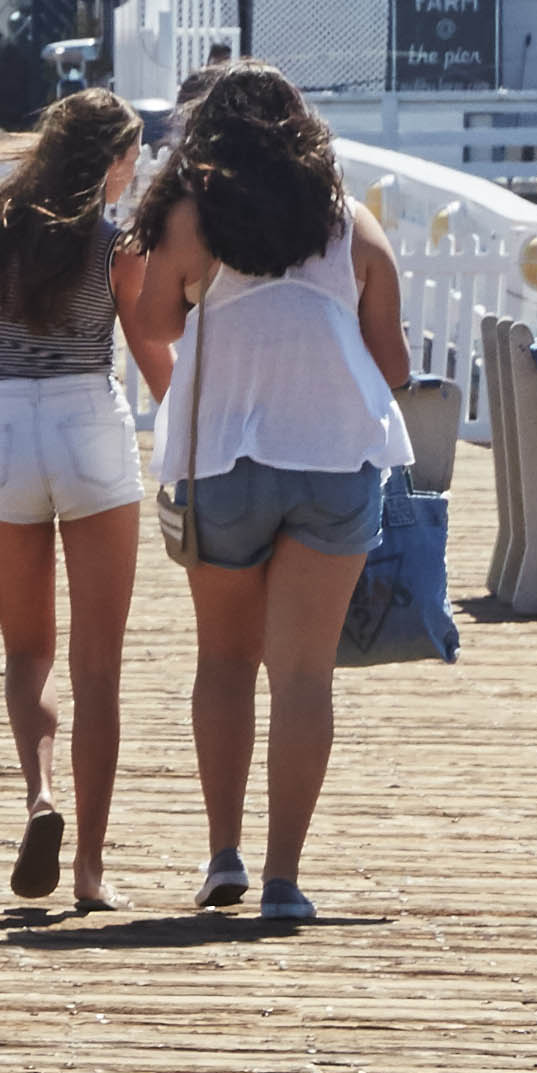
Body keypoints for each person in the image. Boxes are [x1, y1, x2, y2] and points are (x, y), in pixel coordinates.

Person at [117, 60, 407, 930]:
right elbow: (391, 363)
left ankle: (223, 855)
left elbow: (160, 321)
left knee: (223, 662)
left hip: (225, 462)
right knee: (304, 675)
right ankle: (285, 879)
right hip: (330, 457)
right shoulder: (349, 225)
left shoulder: (192, 220)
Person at [0, 83, 150, 908]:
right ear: (111, 161)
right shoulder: (118, 244)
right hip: (90, 423)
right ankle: (88, 870)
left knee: (29, 653)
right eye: (132, 156)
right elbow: (148, 353)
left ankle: (39, 795)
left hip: (9, 429)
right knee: (100, 667)